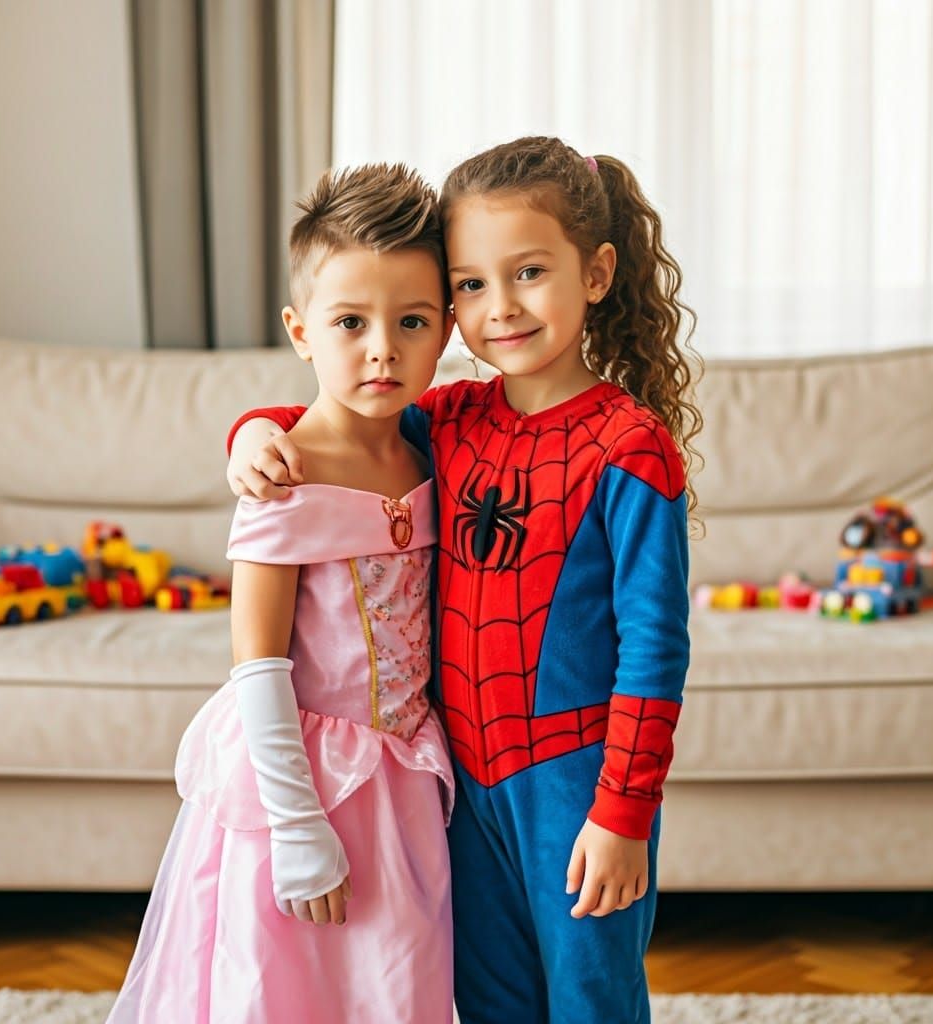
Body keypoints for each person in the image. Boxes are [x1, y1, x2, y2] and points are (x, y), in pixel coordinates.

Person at [227, 136, 702, 1024]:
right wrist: (252, 431)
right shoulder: (449, 417)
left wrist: (624, 812)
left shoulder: (631, 448)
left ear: (595, 273)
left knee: (591, 995)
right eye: (473, 285)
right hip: (460, 778)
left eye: (528, 273)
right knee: (485, 1000)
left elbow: (655, 647)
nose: (501, 308)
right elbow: (330, 415)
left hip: (578, 777)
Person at [107, 163, 456, 1024]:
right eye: (350, 322)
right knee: (286, 987)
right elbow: (257, 668)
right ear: (302, 332)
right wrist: (296, 826)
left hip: (402, 777)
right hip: (299, 783)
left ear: (447, 328)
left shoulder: (429, 452)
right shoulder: (282, 475)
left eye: (412, 321)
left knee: (394, 982)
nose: (382, 347)